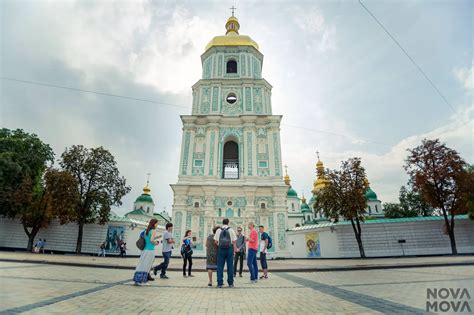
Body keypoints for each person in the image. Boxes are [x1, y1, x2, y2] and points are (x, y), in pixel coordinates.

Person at [132, 218, 160, 286]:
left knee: (141, 265)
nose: (157, 225)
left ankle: (137, 280)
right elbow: (151, 240)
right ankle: (143, 281)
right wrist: (156, 243)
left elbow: (147, 239)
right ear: (154, 224)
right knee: (147, 266)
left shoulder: (146, 231)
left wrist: (157, 237)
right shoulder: (153, 230)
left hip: (144, 250)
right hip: (150, 251)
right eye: (157, 223)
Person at [214, 218, 237, 288]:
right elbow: (234, 241)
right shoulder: (231, 230)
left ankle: (220, 283)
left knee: (220, 266)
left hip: (221, 249)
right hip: (229, 249)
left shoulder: (218, 230)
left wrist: (219, 245)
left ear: (222, 222)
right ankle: (230, 283)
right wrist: (235, 250)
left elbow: (216, 241)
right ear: (228, 223)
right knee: (230, 266)